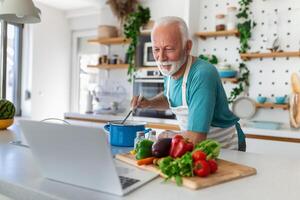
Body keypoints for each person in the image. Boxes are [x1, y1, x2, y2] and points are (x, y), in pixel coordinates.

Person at [131, 16, 246, 151]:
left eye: (169, 49)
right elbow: (171, 97)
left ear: (187, 47)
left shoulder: (202, 74)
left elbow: (197, 137)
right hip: (193, 147)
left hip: (225, 147)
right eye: (156, 49)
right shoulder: (170, 70)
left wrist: (169, 137)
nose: (161, 57)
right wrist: (150, 103)